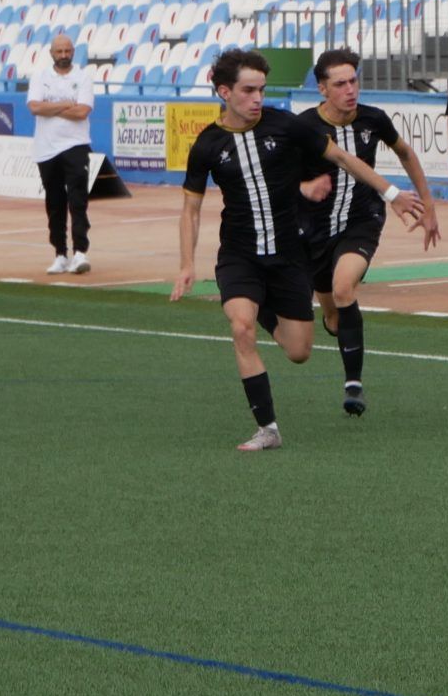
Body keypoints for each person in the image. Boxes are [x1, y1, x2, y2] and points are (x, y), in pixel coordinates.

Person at [172, 49, 422, 452]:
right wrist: (186, 264)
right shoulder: (207, 145)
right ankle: (267, 428)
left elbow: (342, 157)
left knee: (299, 351)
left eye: (262, 89)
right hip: (239, 254)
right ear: (224, 91)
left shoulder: (284, 126)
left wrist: (391, 193)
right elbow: (191, 208)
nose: (258, 98)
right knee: (241, 327)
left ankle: (264, 306)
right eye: (248, 90)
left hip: (289, 257)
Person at [297, 48, 440, 415]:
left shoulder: (373, 120)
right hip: (314, 228)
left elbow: (406, 153)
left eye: (354, 81)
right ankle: (338, 325)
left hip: (363, 220)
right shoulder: (305, 126)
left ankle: (353, 384)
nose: (350, 89)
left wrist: (429, 207)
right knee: (331, 314)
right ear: (322, 89)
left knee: (345, 286)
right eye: (340, 83)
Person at [25, 30, 96, 275]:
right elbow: (34, 107)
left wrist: (50, 108)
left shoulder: (83, 77)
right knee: (54, 203)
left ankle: (79, 253)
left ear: (73, 52)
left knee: (78, 201)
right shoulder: (40, 76)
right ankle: (59, 254)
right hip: (46, 149)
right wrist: (66, 103)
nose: (63, 55)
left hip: (76, 145)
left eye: (67, 51)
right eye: (59, 51)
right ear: (51, 53)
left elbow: (82, 112)